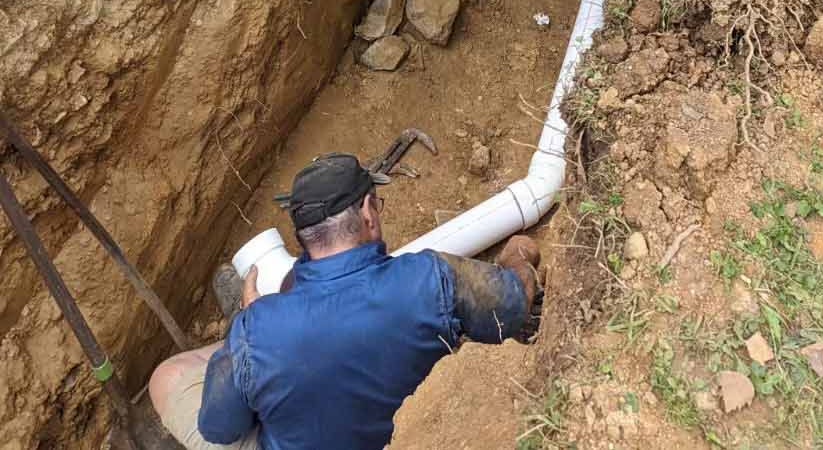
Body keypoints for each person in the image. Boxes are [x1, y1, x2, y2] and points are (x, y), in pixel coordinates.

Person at [149, 153, 541, 450]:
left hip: (272, 357)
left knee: (168, 375)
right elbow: (512, 307)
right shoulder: (432, 278)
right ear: (369, 212)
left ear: (304, 235)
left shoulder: (255, 331)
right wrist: (520, 253)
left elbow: (219, 428)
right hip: (405, 434)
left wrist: (250, 326)